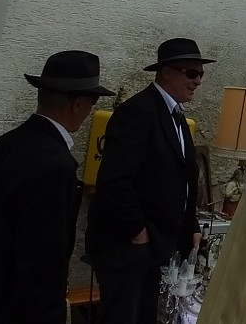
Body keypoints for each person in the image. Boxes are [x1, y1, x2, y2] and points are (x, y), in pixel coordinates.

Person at [0, 50, 113, 324]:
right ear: (78, 103)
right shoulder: (54, 164)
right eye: (92, 102)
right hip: (4, 310)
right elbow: (42, 263)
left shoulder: (3, 145)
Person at [86, 38, 215, 324]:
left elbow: (182, 179)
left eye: (201, 74)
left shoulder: (177, 117)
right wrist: (137, 232)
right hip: (131, 248)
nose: (197, 82)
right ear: (166, 72)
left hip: (160, 247)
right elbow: (115, 180)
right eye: (191, 73)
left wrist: (190, 224)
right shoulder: (137, 112)